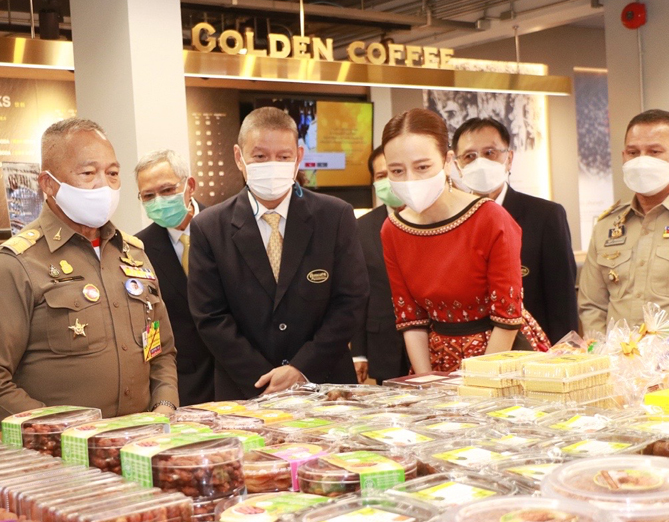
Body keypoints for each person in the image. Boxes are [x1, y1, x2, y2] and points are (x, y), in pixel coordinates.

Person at [0, 118, 179, 427]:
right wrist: (65, 433)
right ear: (49, 184)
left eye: (113, 173)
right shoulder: (16, 264)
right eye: (88, 173)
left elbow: (160, 351)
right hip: (60, 451)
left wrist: (164, 405)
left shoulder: (134, 253)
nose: (104, 185)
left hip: (143, 442)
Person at [188, 106, 369, 400]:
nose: (272, 165)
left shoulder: (335, 216)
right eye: (260, 156)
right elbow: (210, 316)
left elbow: (351, 301)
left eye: (283, 157)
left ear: (298, 157)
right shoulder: (209, 227)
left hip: (327, 385)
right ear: (239, 157)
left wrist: (301, 368)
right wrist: (268, 381)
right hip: (247, 390)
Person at [381, 108, 549, 374]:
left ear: (448, 161)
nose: (410, 180)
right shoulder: (394, 229)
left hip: (501, 354)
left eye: (423, 167)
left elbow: (507, 316)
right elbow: (410, 318)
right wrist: (426, 380)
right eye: (397, 171)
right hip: (437, 357)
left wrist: (479, 380)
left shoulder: (490, 217)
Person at [452, 118, 578, 344]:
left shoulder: (545, 216)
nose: (480, 162)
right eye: (469, 156)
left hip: (533, 351)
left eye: (489, 153)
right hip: (468, 350)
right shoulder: (451, 221)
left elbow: (562, 302)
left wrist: (565, 353)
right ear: (458, 166)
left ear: (508, 159)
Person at [579, 109, 669, 334]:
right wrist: (599, 347)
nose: (642, 161)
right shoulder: (607, 226)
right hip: (617, 355)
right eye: (633, 152)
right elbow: (592, 306)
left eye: (654, 152)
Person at [135, 149, 215, 406]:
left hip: (242, 374)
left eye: (167, 190)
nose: (159, 201)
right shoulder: (139, 249)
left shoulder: (227, 227)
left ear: (190, 186)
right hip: (183, 383)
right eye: (148, 196)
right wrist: (159, 390)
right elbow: (148, 322)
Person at [351, 146, 410, 383]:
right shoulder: (360, 227)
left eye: (394, 172)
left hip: (432, 343)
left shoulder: (433, 220)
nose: (388, 180)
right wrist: (358, 352)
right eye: (381, 175)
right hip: (383, 344)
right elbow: (357, 293)